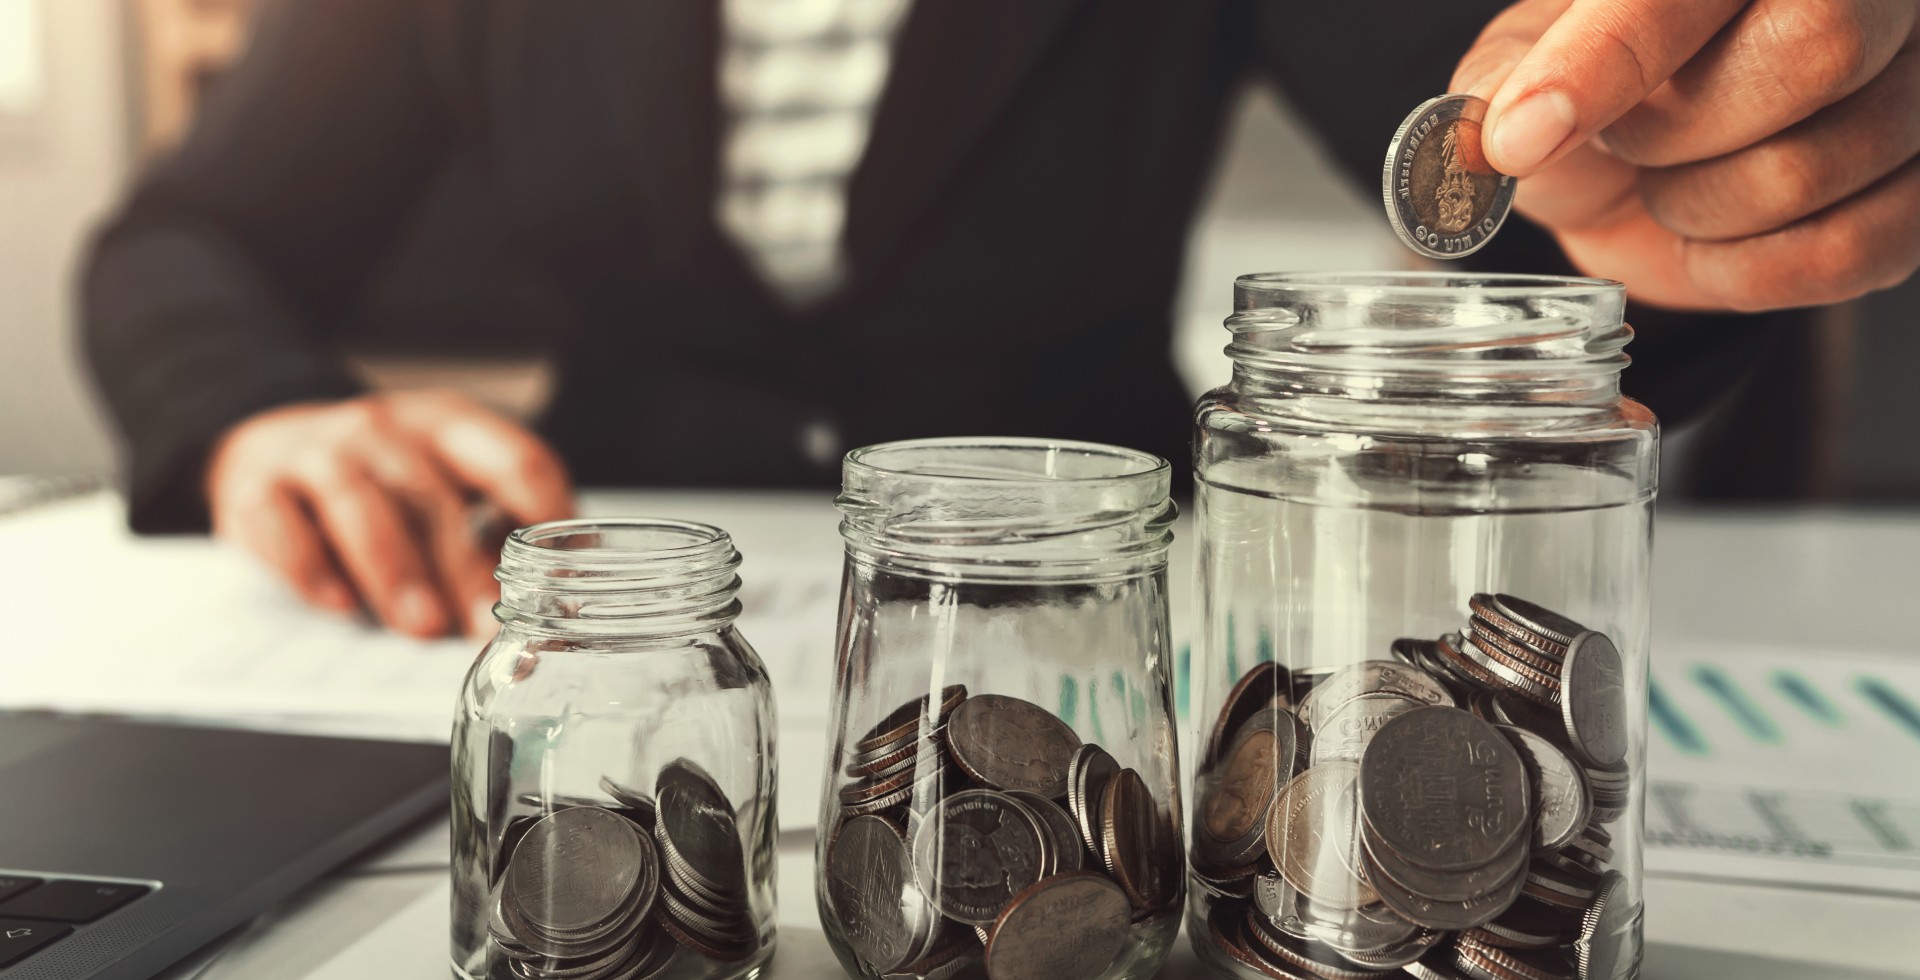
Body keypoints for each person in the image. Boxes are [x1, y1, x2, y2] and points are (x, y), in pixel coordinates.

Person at [83, 0, 1920, 638]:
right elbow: (186, 238)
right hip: (624, 554)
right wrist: (258, 419)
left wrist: (1671, 195)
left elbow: (1532, 162)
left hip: (1102, 584)